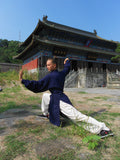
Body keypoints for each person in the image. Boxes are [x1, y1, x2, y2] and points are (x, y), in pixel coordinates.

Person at [19, 58, 113, 138]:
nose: (47, 66)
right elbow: (67, 69)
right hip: (57, 97)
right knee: (45, 96)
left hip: (60, 100)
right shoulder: (61, 74)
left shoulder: (50, 76)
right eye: (46, 65)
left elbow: (37, 85)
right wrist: (67, 62)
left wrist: (23, 80)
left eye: (48, 65)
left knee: (76, 117)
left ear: (54, 65)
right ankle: (46, 113)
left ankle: (103, 128)